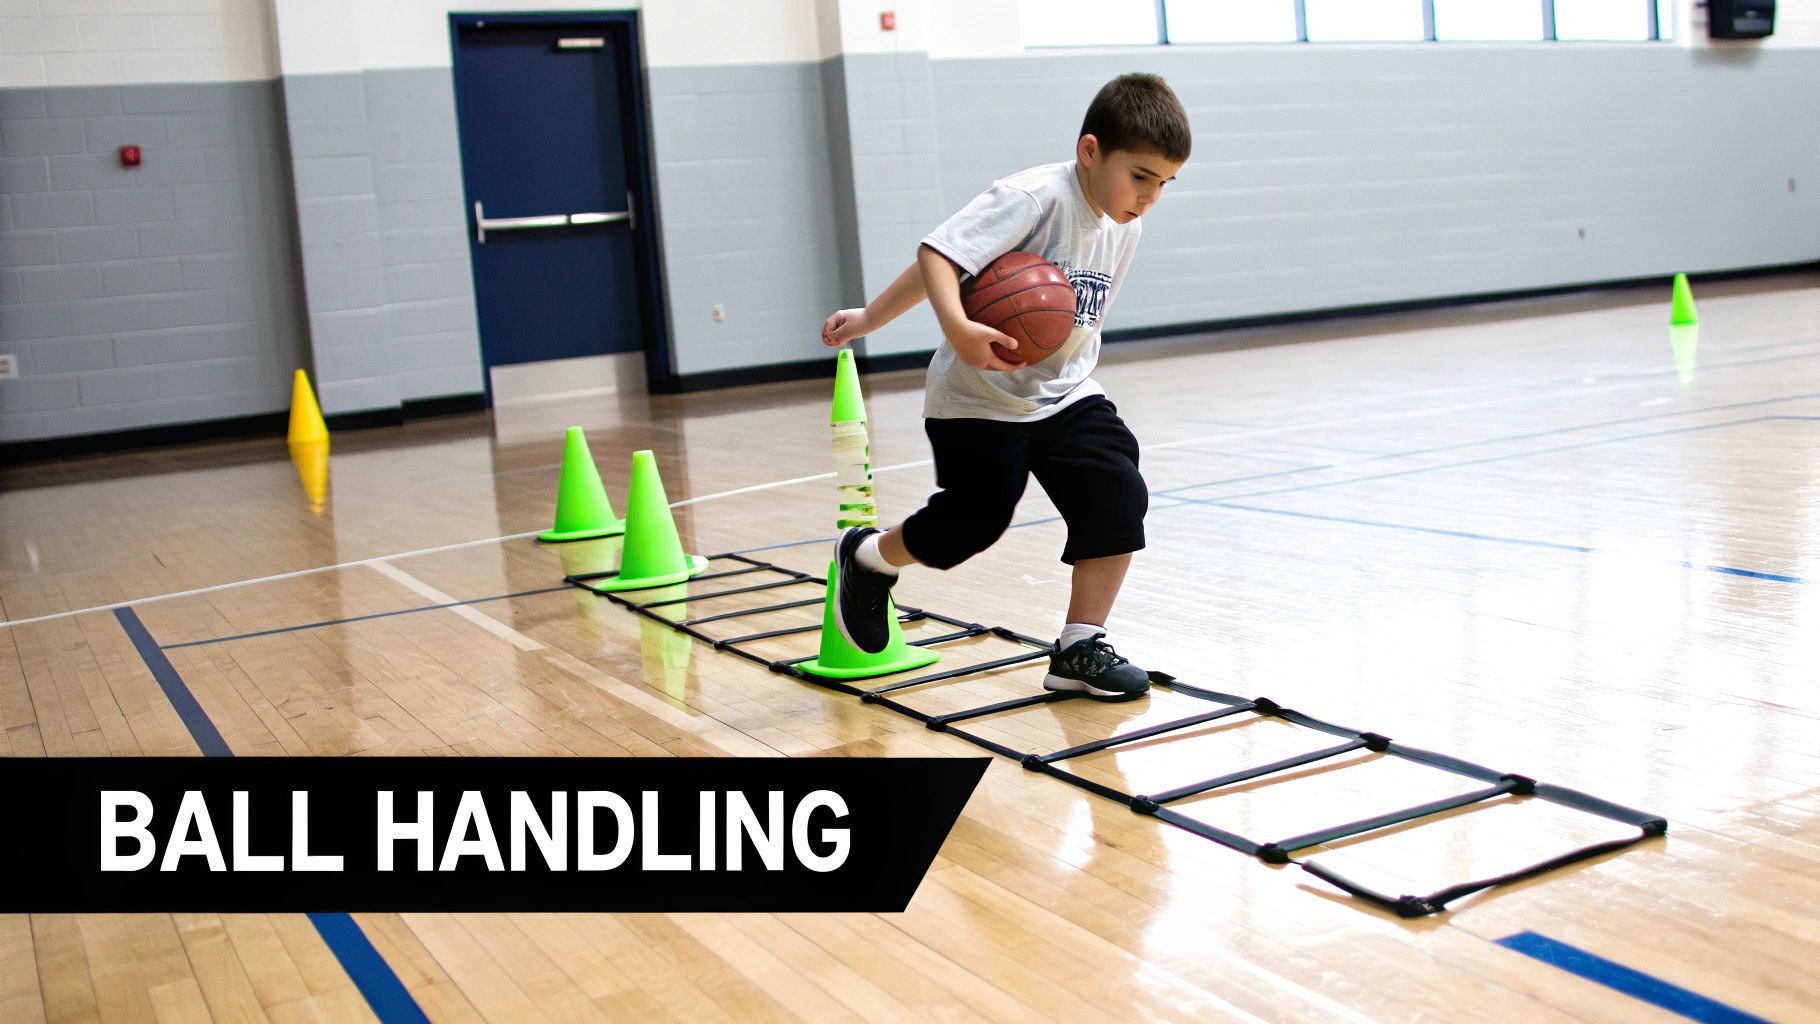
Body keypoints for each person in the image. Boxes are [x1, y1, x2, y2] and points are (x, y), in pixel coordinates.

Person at [820, 73, 1191, 702]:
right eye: (1141, 176)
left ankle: (1080, 646)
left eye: (1165, 183)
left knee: (1117, 493)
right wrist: (911, 324)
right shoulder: (1033, 197)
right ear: (1090, 150)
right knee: (971, 524)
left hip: (1064, 392)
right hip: (978, 400)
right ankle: (868, 559)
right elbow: (941, 254)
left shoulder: (1124, 223)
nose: (1150, 196)